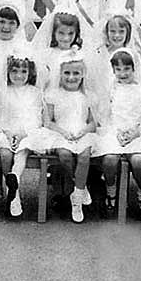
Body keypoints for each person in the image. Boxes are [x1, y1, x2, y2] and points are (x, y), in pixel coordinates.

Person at [94, 48, 141, 221]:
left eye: (126, 69)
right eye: (118, 70)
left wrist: (135, 133)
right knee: (110, 159)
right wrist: (115, 132)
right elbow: (104, 115)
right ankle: (111, 193)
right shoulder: (111, 89)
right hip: (114, 132)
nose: (122, 73)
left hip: (136, 133)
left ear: (134, 69)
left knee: (138, 160)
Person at [42, 50, 99, 223]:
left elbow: (93, 123)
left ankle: (77, 200)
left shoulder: (87, 96)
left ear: (82, 75)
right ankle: (80, 185)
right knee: (65, 155)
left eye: (76, 73)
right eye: (67, 73)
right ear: (60, 74)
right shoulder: (53, 94)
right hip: (60, 131)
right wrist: (63, 132)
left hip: (81, 131)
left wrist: (83, 131)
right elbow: (48, 122)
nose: (71, 77)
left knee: (84, 155)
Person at [0, 52, 49, 217]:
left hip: (28, 130)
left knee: (23, 149)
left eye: (23, 72)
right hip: (7, 130)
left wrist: (22, 133)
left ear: (30, 73)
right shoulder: (4, 91)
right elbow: (0, 115)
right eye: (14, 72)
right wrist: (8, 132)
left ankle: (15, 179)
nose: (18, 76)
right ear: (8, 73)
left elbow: (36, 117)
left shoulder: (35, 92)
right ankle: (14, 196)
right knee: (5, 152)